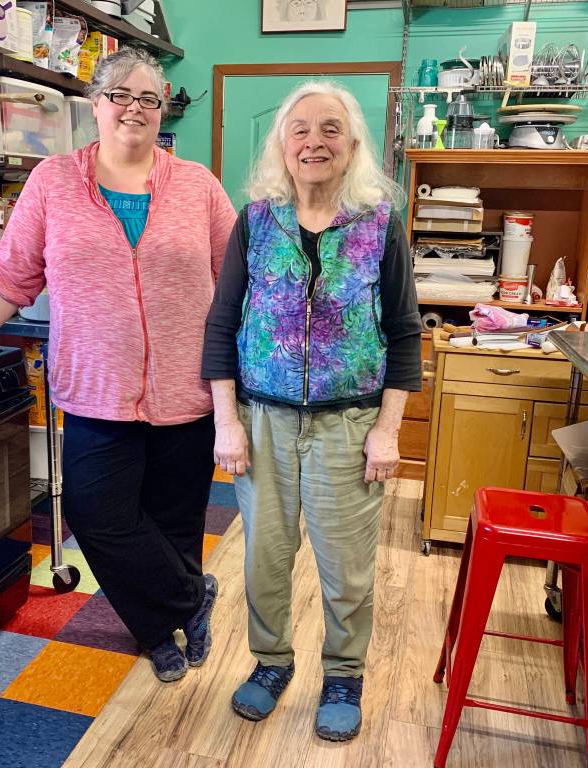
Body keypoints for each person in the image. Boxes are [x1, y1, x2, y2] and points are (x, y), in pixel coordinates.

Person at [0, 47, 237, 683]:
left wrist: (238, 386)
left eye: (148, 99)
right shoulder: (53, 182)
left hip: (184, 388)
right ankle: (190, 601)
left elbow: (235, 285)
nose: (134, 109)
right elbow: (9, 278)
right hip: (94, 390)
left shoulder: (199, 187)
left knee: (176, 517)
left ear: (161, 109)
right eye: (120, 96)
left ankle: (157, 631)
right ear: (95, 104)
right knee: (95, 510)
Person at [201, 80, 421, 741]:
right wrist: (226, 420)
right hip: (263, 419)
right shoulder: (255, 222)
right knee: (264, 559)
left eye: (330, 129)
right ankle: (271, 662)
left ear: (352, 146)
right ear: (282, 145)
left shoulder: (379, 225)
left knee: (346, 567)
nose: (313, 142)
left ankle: (344, 674)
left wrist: (387, 430)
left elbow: (405, 333)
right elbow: (221, 325)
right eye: (299, 129)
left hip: (349, 424)